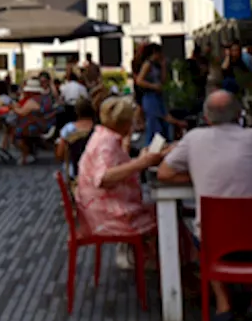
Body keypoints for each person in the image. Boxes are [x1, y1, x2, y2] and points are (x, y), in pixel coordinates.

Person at [158, 90, 252, 319]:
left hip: (215, 242)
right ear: (239, 114)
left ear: (207, 117)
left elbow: (164, 173)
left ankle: (223, 302)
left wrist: (197, 176)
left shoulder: (193, 139)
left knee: (199, 228)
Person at [75, 97, 165, 269]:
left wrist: (138, 158)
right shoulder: (106, 143)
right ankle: (164, 265)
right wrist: (142, 163)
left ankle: (149, 257)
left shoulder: (103, 136)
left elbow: (115, 165)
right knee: (162, 216)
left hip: (96, 207)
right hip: (105, 214)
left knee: (156, 211)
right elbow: (103, 178)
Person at [135, 43, 170, 146]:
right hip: (150, 96)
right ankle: (151, 147)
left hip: (158, 96)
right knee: (154, 125)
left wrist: (163, 67)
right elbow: (139, 80)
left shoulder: (157, 65)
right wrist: (153, 86)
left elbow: (163, 80)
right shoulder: (148, 64)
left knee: (163, 123)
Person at [56, 97, 97, 178]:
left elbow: (60, 154)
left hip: (75, 171)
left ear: (77, 112)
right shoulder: (99, 129)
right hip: (95, 170)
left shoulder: (68, 129)